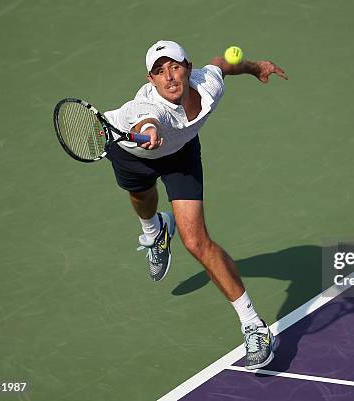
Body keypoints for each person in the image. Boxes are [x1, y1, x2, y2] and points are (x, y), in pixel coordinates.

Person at [103, 40, 288, 369]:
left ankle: (253, 326)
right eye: (159, 73)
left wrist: (256, 66)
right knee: (142, 199)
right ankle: (154, 228)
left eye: (174, 67)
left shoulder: (208, 84)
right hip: (131, 155)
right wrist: (149, 129)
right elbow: (145, 122)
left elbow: (223, 63)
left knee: (195, 241)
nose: (169, 77)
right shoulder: (146, 108)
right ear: (151, 80)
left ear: (188, 67)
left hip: (180, 153)